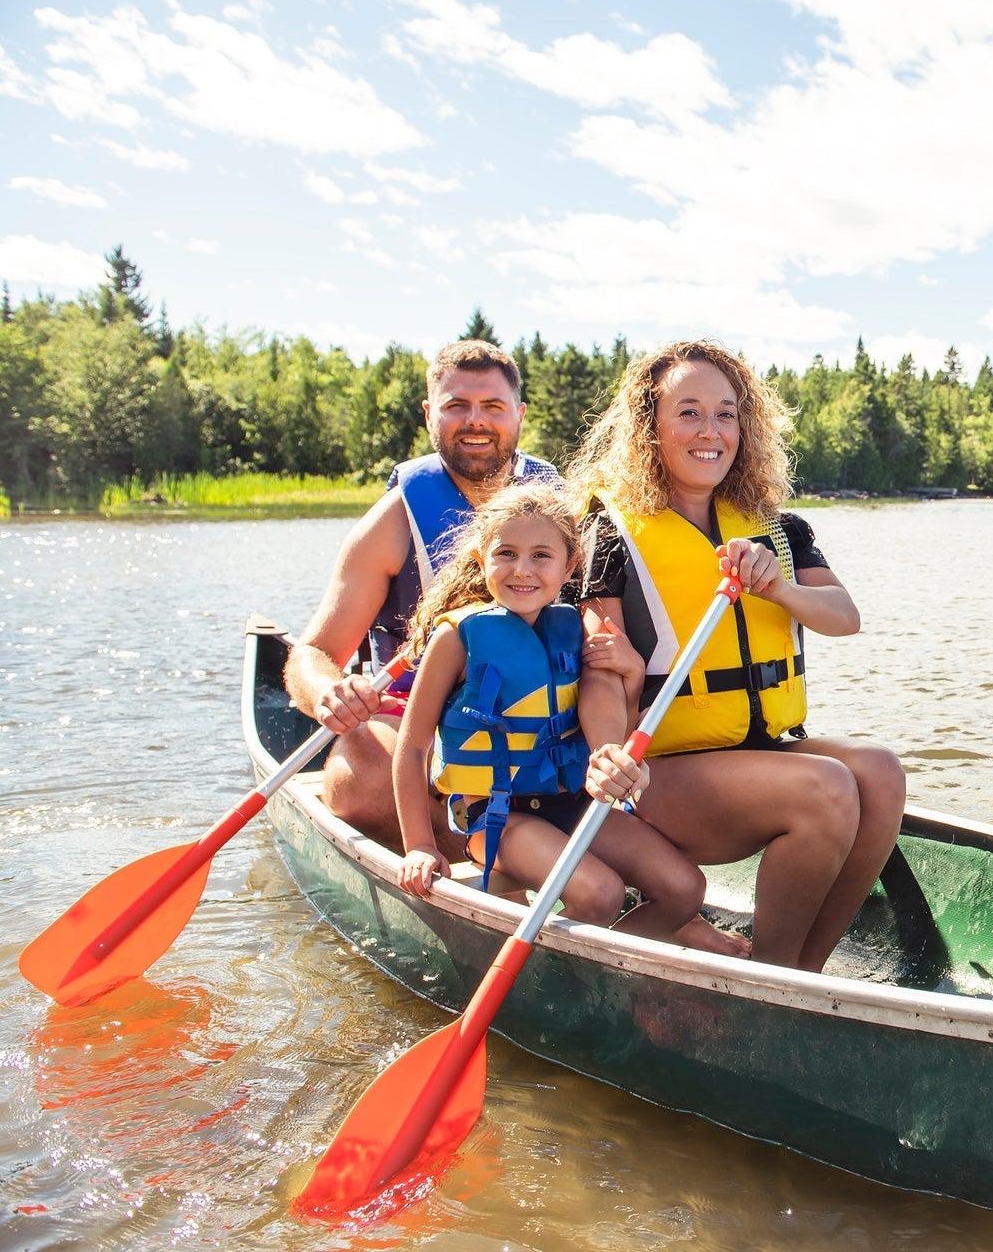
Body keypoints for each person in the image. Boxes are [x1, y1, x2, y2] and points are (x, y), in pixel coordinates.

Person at [569, 339, 906, 972]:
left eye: (727, 413)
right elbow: (603, 667)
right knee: (825, 788)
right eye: (689, 412)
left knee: (880, 773)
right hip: (660, 773)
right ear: (651, 426)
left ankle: (804, 970)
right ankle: (771, 976)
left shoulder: (777, 526)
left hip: (761, 748)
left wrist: (778, 584)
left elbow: (845, 618)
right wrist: (607, 752)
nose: (711, 431)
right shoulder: (609, 532)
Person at [389, 484, 740, 954]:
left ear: (569, 565)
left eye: (541, 556)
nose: (522, 570)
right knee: (599, 892)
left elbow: (608, 719)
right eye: (506, 554)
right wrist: (419, 845)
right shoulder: (457, 638)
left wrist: (629, 689)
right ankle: (576, 979)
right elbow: (412, 747)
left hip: (572, 802)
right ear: (481, 558)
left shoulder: (573, 628)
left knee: (684, 889)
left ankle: (596, 968)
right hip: (499, 817)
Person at [285, 339, 559, 853]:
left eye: (493, 407)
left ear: (519, 415)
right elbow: (311, 654)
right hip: (415, 714)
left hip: (535, 709)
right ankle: (468, 866)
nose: (475, 420)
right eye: (457, 406)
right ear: (430, 414)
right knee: (361, 778)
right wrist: (328, 692)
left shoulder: (557, 507)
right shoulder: (394, 520)